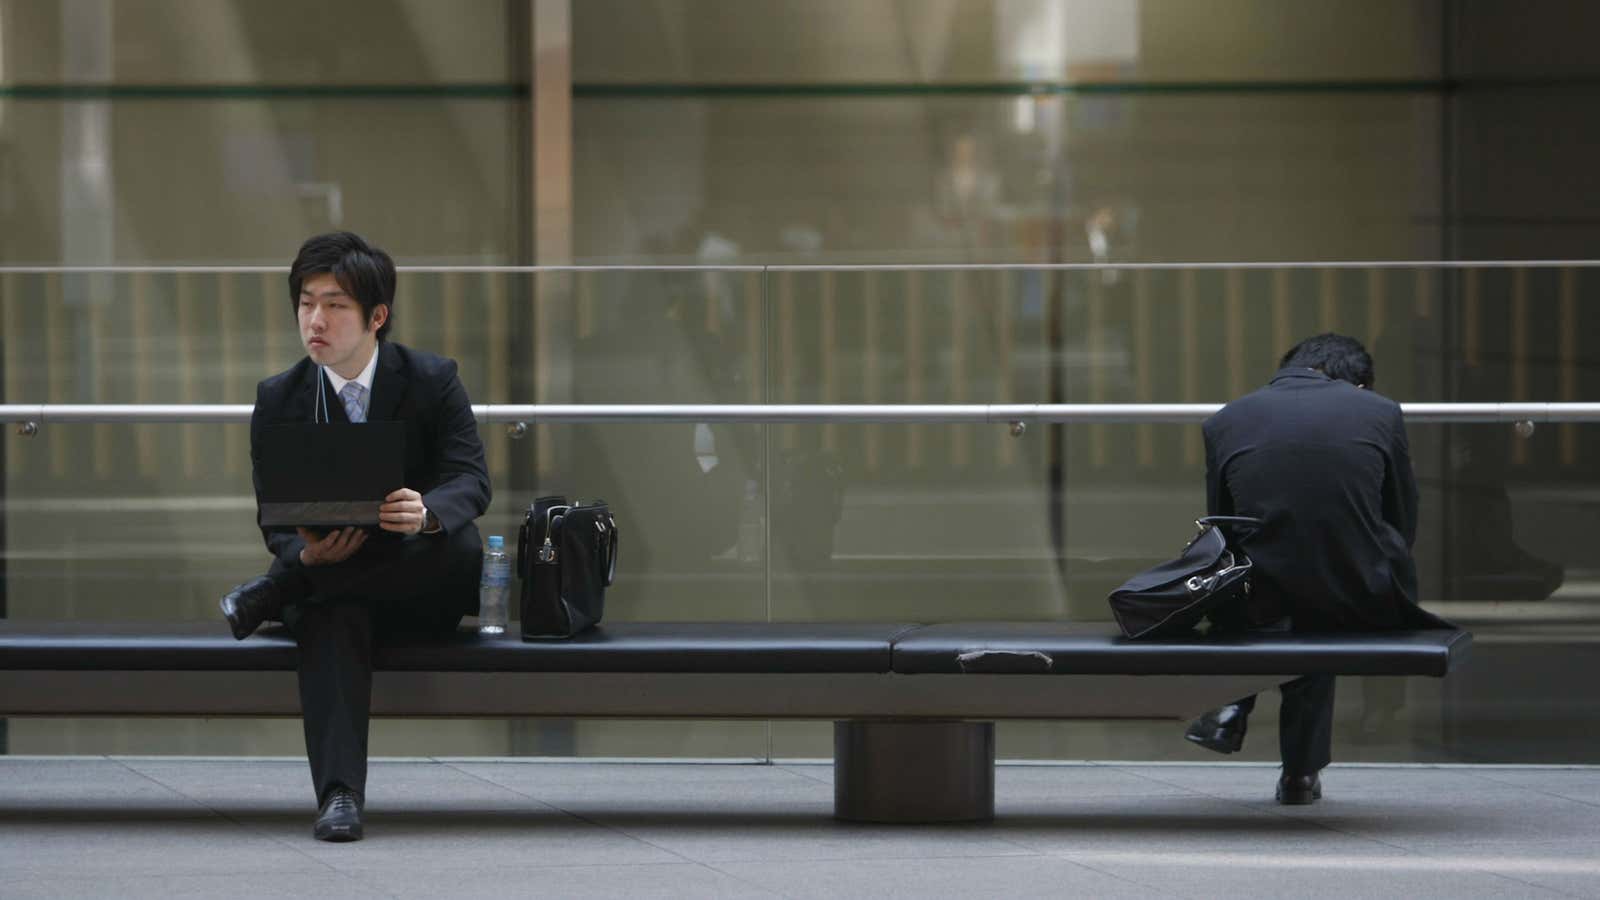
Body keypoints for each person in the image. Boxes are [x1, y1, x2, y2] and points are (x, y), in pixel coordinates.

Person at [217, 232, 490, 841]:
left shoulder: (431, 379)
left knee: (460, 544)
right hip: (333, 586)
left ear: (377, 317)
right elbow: (275, 517)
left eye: (335, 305)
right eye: (306, 303)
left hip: (421, 582)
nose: (316, 320)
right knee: (333, 608)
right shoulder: (279, 397)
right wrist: (304, 554)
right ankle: (339, 797)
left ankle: (277, 591)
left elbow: (472, 479)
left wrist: (425, 513)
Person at [1185, 333, 1452, 805]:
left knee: (1286, 597)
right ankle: (1299, 775)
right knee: (1316, 608)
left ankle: (1232, 705)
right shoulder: (1381, 413)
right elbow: (1402, 514)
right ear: (1359, 383)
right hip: (1354, 587)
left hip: (1257, 594)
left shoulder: (1226, 419)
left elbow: (1222, 523)